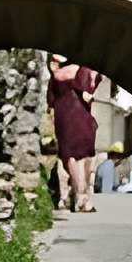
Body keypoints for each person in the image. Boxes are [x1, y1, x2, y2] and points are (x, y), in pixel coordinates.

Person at [47, 55, 101, 212]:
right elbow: (88, 93)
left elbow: (50, 100)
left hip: (63, 117)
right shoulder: (83, 71)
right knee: (83, 158)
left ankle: (71, 197)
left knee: (69, 157)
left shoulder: (56, 76)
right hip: (81, 116)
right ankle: (82, 196)